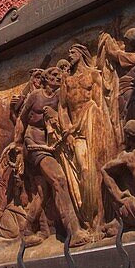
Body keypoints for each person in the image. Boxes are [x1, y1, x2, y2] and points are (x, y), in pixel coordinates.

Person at [11, 66, 92, 247]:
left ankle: (26, 231)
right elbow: (21, 119)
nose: (57, 78)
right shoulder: (35, 96)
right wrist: (17, 145)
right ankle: (74, 231)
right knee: (59, 179)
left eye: (58, 75)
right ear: (46, 79)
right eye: (53, 75)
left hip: (49, 145)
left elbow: (63, 115)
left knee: (42, 193)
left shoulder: (59, 97)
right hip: (33, 145)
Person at [58, 44, 116, 233]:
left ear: (82, 54)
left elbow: (100, 105)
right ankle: (87, 218)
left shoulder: (93, 75)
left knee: (97, 168)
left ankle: (100, 218)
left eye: (73, 52)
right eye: (69, 52)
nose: (70, 55)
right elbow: (62, 108)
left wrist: (103, 132)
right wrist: (66, 131)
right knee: (83, 168)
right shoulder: (67, 80)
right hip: (74, 130)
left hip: (93, 123)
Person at [98, 25, 135, 144]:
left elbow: (112, 53)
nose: (124, 46)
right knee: (123, 121)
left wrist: (106, 38)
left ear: (132, 43)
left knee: (130, 120)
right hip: (123, 93)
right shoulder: (131, 55)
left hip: (129, 93)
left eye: (126, 42)